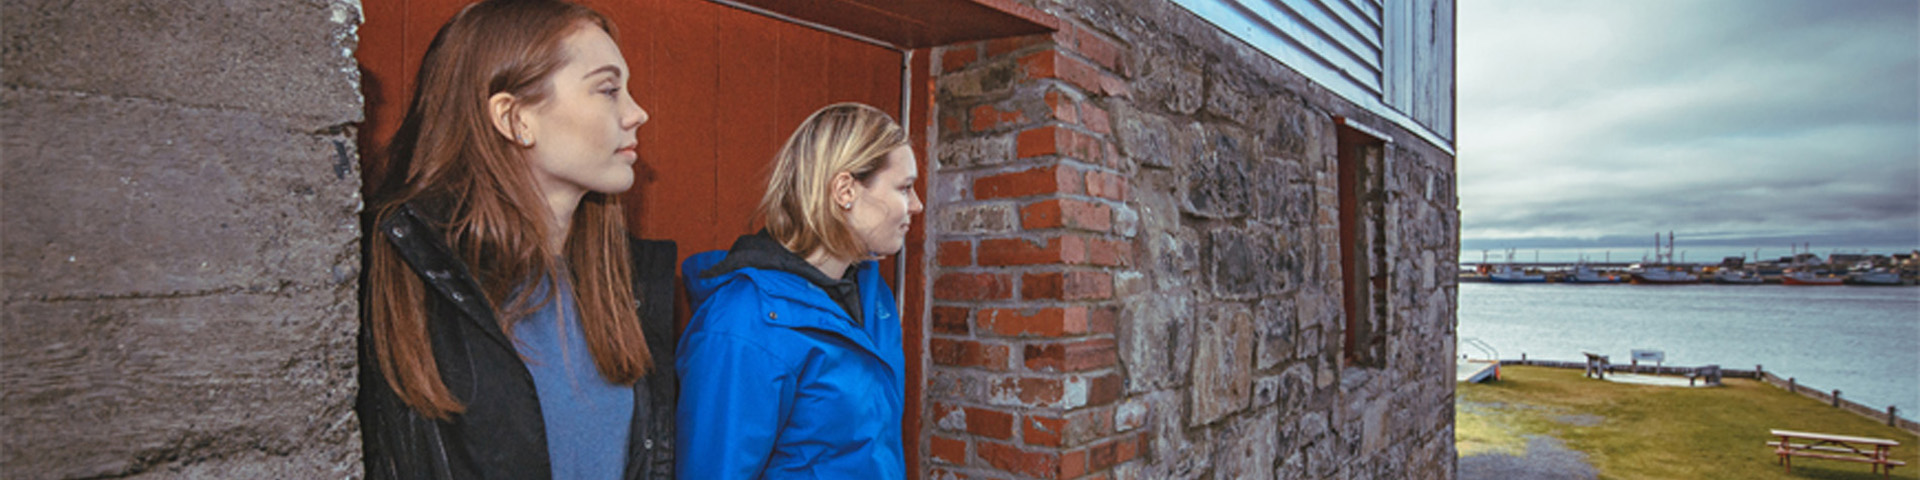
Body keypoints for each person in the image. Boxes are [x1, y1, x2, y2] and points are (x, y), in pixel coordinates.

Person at [357, 1, 676, 478]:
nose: (637, 113)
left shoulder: (626, 284)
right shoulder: (398, 269)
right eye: (608, 89)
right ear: (514, 118)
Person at [677, 103, 923, 479]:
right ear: (845, 190)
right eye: (905, 188)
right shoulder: (742, 322)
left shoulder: (874, 297)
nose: (916, 205)